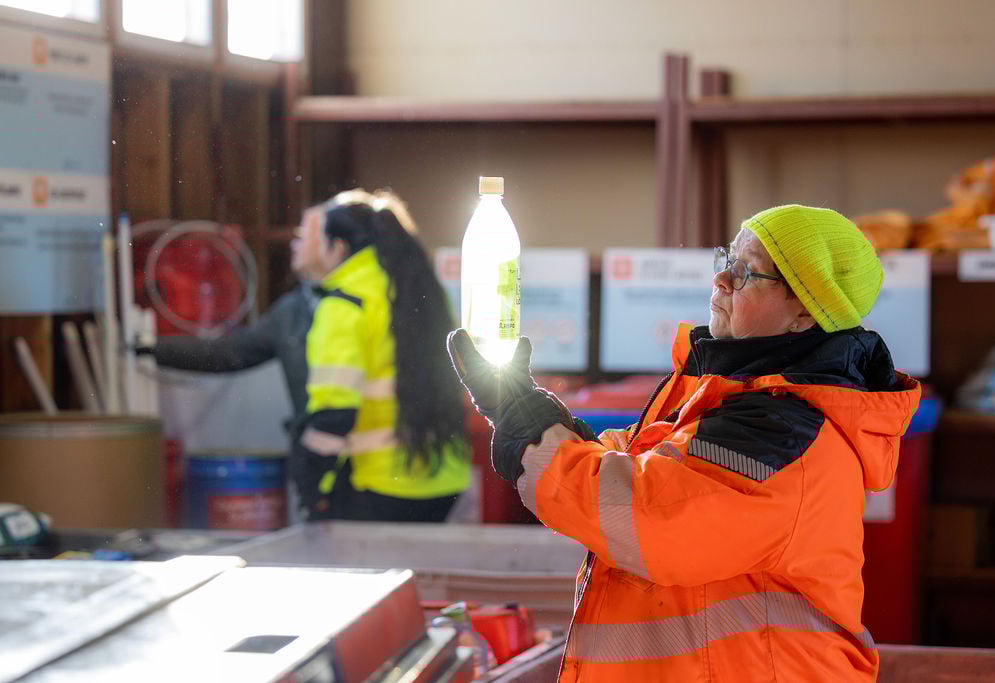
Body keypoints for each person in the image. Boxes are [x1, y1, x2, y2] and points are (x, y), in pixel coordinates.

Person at [448, 204, 921, 682]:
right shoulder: (721, 396)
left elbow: (647, 514)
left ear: (804, 311)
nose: (720, 281)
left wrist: (529, 424)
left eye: (745, 273)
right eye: (726, 262)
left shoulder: (784, 431)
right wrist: (529, 413)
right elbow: (631, 463)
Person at [296, 189, 470, 522]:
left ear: (338, 248)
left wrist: (311, 487)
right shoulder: (423, 293)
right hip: (446, 481)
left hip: (378, 485)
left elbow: (333, 413)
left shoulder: (345, 304)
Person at [151, 206, 333, 449]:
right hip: (316, 457)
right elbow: (229, 354)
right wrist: (153, 349)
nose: (294, 244)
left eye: (304, 236)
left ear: (337, 246)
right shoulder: (293, 311)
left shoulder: (372, 305)